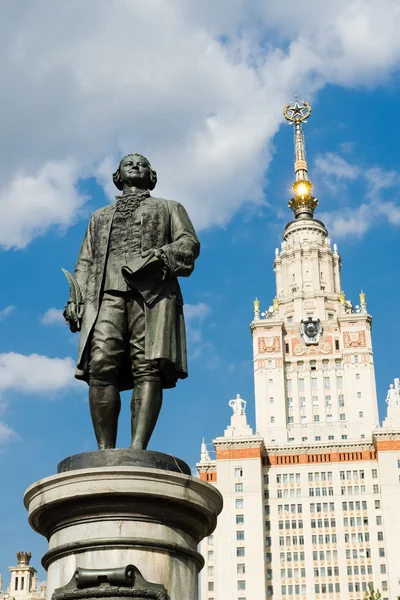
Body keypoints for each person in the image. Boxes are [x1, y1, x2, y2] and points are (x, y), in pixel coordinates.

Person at [64, 153, 199, 450]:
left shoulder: (169, 208)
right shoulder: (99, 216)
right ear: (118, 175)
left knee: (147, 365)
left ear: (152, 175)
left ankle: (138, 448)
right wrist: (76, 298)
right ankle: (104, 450)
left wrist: (160, 256)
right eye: (128, 163)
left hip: (152, 295)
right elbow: (85, 261)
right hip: (105, 296)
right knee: (100, 364)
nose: (135, 165)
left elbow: (188, 243)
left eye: (142, 163)